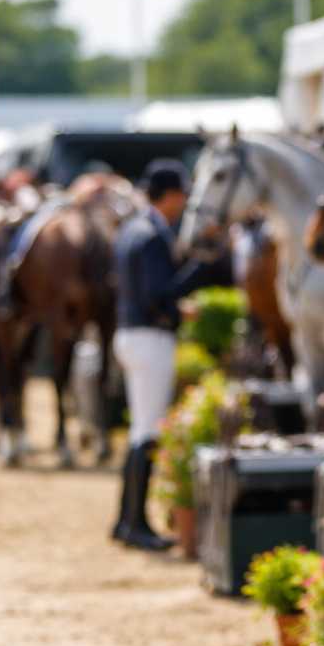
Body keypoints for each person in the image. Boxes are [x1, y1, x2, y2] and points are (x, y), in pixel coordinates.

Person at [111, 160, 229, 551]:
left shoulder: (133, 229)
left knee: (138, 431)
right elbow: (160, 295)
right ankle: (135, 524)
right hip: (149, 337)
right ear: (173, 195)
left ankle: (126, 519)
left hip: (131, 335)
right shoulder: (152, 236)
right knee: (147, 432)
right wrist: (199, 270)